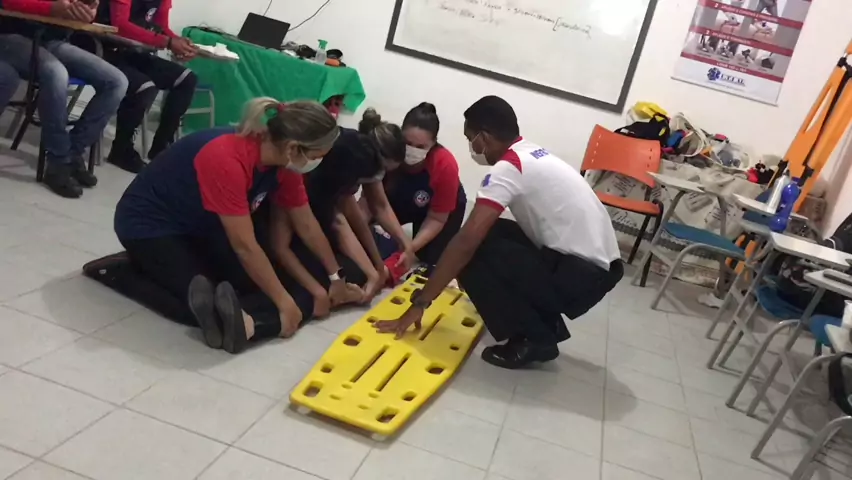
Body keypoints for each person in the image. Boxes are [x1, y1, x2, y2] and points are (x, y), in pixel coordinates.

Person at [374, 96, 624, 369]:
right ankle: (543, 327)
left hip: (582, 277)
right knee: (494, 231)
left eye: (470, 139)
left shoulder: (509, 168)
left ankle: (533, 339)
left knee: (470, 252)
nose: (472, 148)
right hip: (599, 269)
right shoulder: (530, 153)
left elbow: (465, 243)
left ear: (484, 138)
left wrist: (421, 302)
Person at [93, 98, 350, 354]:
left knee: (259, 286)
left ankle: (249, 323)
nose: (316, 163)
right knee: (199, 305)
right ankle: (120, 271)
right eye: (316, 156)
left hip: (201, 226)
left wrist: (335, 277)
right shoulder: (227, 157)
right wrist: (284, 303)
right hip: (150, 227)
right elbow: (244, 246)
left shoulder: (285, 165)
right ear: (294, 148)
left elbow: (306, 223)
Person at [0, 0, 128, 198]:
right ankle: (58, 162)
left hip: (52, 40)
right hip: (11, 35)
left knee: (117, 81)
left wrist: (88, 11)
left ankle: (72, 154)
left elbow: (81, 9)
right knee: (55, 73)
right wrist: (53, 8)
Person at [301, 108, 414, 301]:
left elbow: (358, 209)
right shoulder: (340, 166)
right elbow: (337, 222)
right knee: (349, 273)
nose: (379, 177)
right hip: (309, 228)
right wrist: (367, 273)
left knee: (382, 248)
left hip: (323, 222)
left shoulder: (357, 161)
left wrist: (378, 268)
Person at [93, 0, 199, 172]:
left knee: (187, 79)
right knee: (145, 87)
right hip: (105, 48)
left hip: (133, 52)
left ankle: (161, 148)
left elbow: (161, 27)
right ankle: (121, 149)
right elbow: (120, 25)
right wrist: (167, 42)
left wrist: (180, 44)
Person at [365, 102, 466, 278]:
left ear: (433, 144)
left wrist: (409, 248)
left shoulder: (444, 164)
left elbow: (437, 218)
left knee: (430, 258)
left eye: (421, 147)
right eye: (407, 143)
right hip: (400, 195)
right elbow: (370, 203)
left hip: (438, 208)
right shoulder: (389, 152)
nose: (412, 151)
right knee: (373, 237)